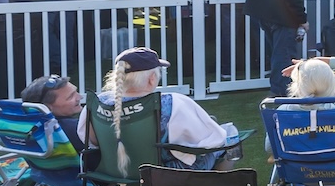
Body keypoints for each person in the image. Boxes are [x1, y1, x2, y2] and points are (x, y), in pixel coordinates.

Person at [83, 47, 236, 169]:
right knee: (230, 133)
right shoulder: (172, 103)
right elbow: (213, 140)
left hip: (115, 169)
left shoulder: (98, 102)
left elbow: (91, 140)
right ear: (151, 79)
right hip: (165, 172)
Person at [21, 72, 87, 149]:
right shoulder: (77, 129)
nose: (80, 97)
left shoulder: (31, 130)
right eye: (70, 97)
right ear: (48, 107)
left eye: (76, 92)